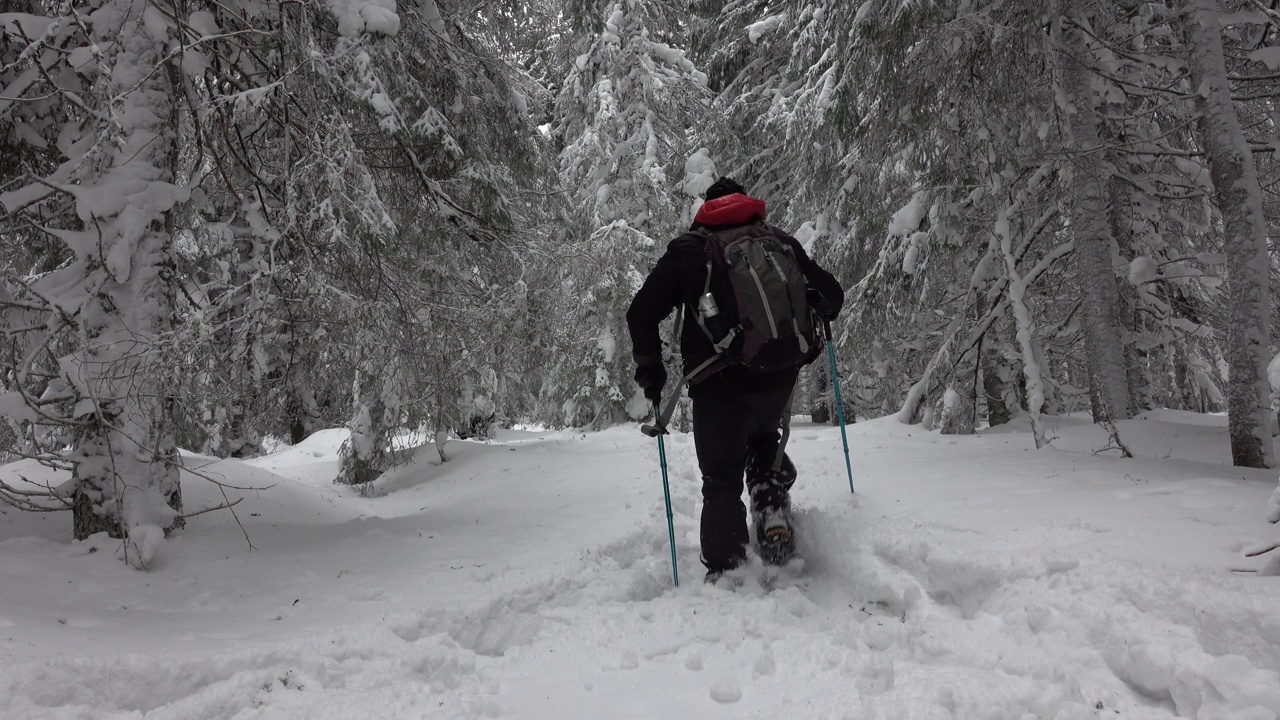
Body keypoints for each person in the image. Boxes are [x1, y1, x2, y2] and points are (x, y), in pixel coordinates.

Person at [625, 177, 844, 583]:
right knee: (763, 440)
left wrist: (651, 372)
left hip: (719, 384)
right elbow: (832, 295)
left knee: (722, 477)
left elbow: (640, 313)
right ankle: (773, 514)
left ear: (705, 213)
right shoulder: (778, 241)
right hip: (778, 376)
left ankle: (729, 572)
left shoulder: (690, 250)